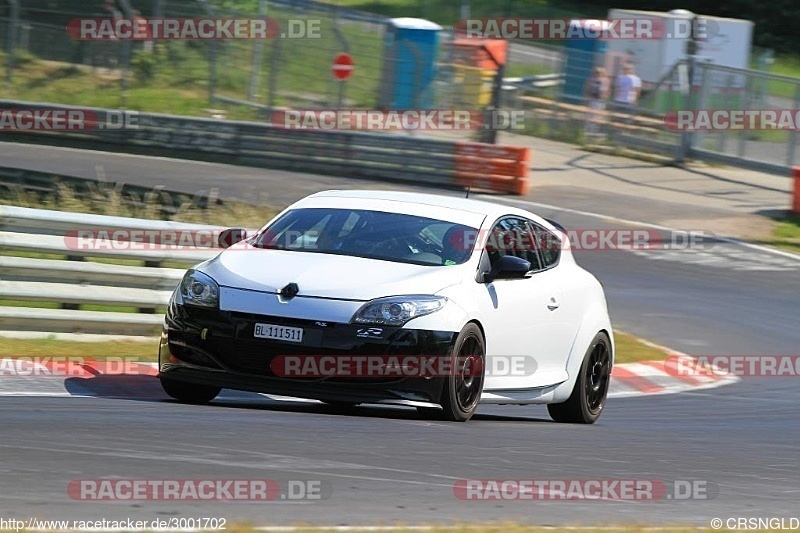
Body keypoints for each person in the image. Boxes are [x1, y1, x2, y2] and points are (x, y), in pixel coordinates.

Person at [583, 67, 609, 136]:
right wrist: (588, 95)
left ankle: (595, 130)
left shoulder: (604, 80)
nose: (598, 74)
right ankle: (588, 129)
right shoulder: (592, 79)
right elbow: (587, 87)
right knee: (590, 114)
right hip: (593, 98)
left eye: (599, 72)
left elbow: (605, 91)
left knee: (597, 115)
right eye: (597, 72)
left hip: (600, 100)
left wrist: (604, 97)